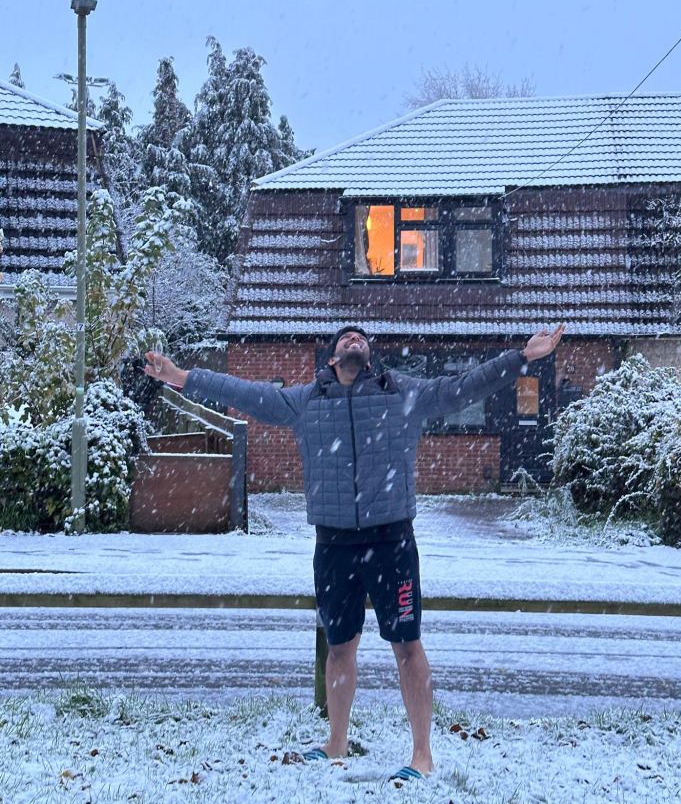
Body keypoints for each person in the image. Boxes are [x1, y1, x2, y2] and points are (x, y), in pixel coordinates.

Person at [144, 322, 564, 781]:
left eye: (361, 338)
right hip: (334, 543)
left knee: (407, 645)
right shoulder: (306, 402)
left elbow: (462, 387)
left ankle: (421, 754)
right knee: (340, 646)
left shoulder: (402, 393)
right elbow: (245, 393)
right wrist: (182, 377)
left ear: (370, 355)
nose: (354, 340)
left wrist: (523, 357)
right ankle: (336, 742)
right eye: (345, 338)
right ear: (331, 359)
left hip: (392, 541)